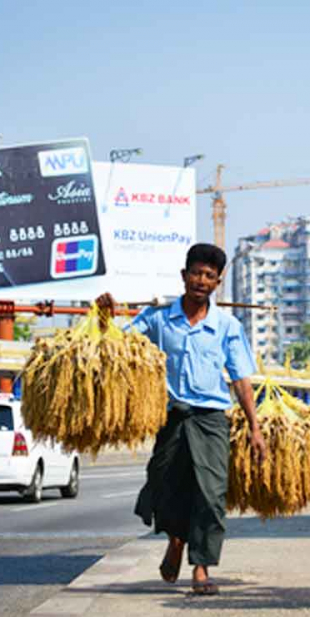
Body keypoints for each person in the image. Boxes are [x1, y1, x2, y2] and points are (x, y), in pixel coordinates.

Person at [96, 243, 266, 596]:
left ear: (217, 283)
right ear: (184, 276)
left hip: (211, 419)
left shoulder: (226, 326)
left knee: (211, 493)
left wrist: (255, 427)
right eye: (196, 274)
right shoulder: (159, 318)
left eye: (209, 276)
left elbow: (241, 379)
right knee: (164, 485)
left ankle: (201, 567)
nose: (201, 281)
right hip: (171, 418)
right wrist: (105, 317)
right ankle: (176, 538)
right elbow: (121, 344)